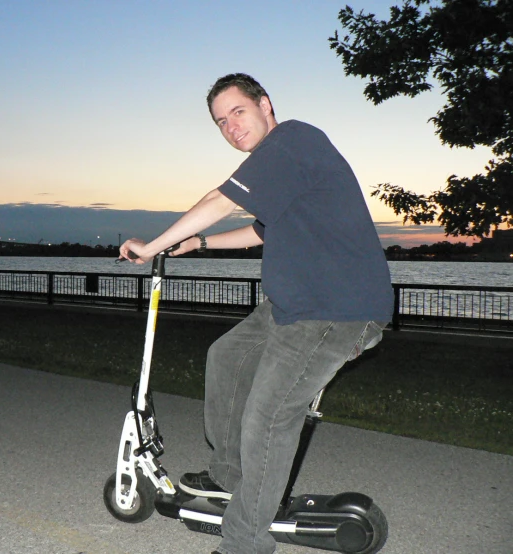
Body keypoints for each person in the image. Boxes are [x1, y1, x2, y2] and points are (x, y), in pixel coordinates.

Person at [118, 73, 393, 554]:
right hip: (292, 306)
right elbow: (261, 230)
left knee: (268, 418)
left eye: (237, 112)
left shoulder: (293, 140)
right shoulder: (283, 168)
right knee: (227, 356)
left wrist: (153, 246)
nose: (230, 127)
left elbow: (221, 200)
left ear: (265, 104)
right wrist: (198, 242)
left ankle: (243, 543)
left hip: (336, 311)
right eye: (220, 122)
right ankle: (228, 478)